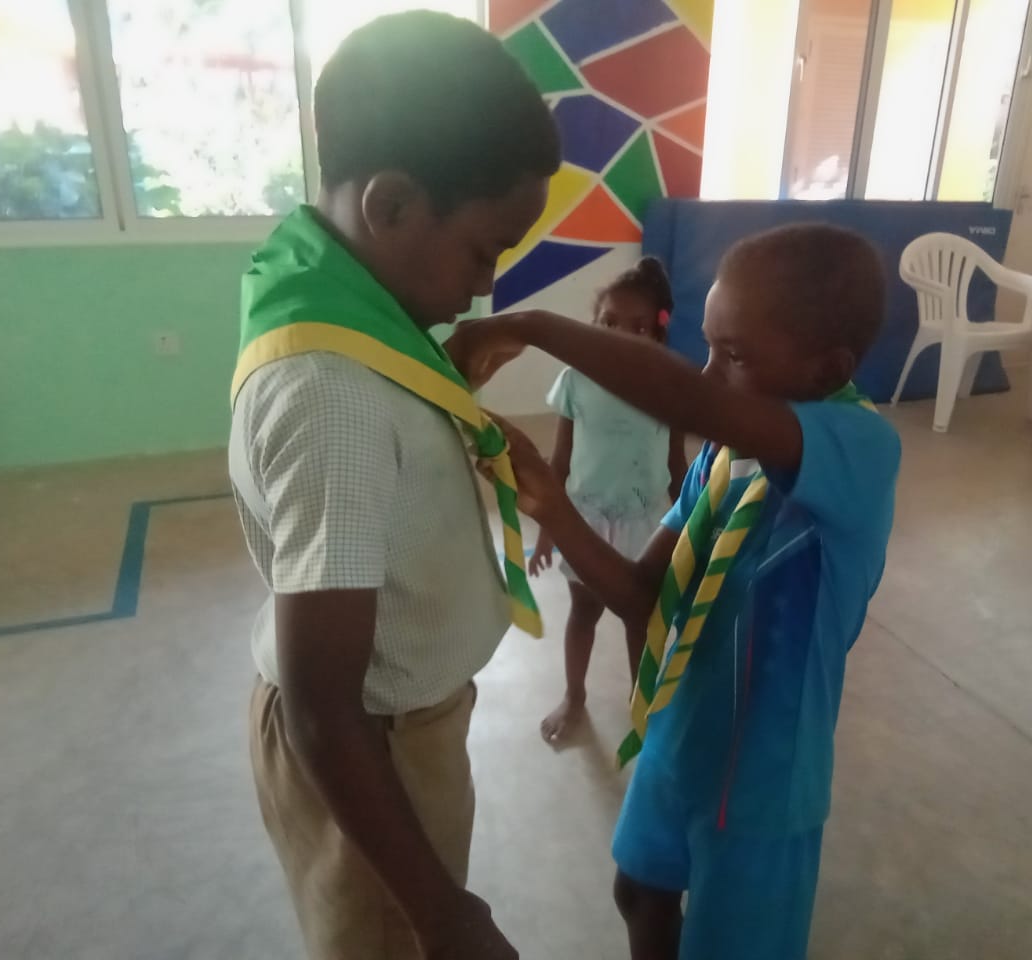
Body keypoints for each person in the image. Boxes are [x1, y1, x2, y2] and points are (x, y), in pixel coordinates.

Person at [227, 12, 559, 960]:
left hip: (399, 726)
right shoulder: (333, 393)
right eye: (484, 252)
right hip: (369, 744)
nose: (486, 288)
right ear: (393, 205)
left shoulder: (337, 290)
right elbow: (324, 698)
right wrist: (444, 912)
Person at [474, 222, 900, 959]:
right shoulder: (725, 464)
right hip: (681, 733)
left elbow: (692, 404)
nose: (705, 375)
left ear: (827, 369)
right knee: (638, 892)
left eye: (731, 356)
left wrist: (537, 324)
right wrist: (552, 503)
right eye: (705, 346)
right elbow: (644, 596)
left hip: (764, 784)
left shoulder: (860, 448)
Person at [530, 257, 689, 744]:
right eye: (608, 323)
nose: (619, 334)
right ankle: (573, 696)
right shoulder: (576, 380)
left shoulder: (670, 387)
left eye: (636, 326)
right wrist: (547, 529)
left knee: (640, 619)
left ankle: (645, 707)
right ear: (593, 326)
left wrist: (695, 531)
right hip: (588, 519)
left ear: (658, 332)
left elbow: (680, 466)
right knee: (583, 612)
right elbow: (558, 463)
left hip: (647, 525)